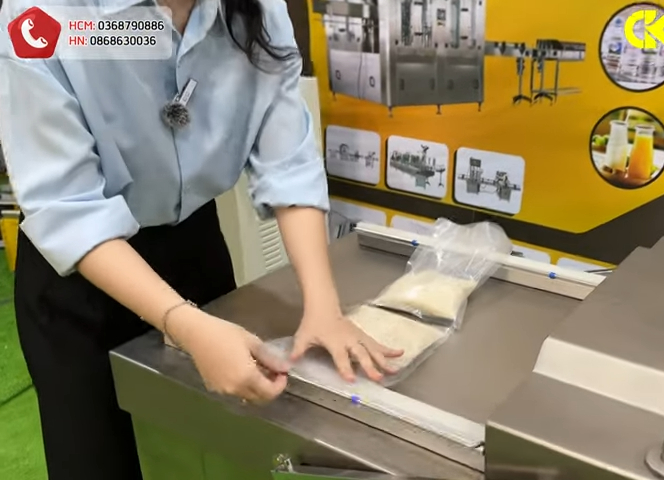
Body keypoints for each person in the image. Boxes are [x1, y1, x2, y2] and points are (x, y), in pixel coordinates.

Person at [0, 0, 402, 479]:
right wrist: (184, 324)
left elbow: (288, 160)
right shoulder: (42, 15)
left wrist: (323, 307)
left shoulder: (256, 10)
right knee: (97, 456)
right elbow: (69, 206)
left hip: (193, 249)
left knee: (211, 449)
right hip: (81, 274)